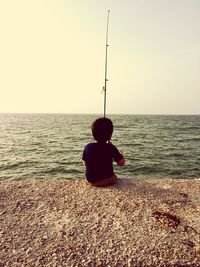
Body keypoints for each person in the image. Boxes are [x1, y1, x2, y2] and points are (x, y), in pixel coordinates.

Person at [82, 117, 125, 187]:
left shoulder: (88, 147)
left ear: (93, 133)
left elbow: (85, 163)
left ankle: (96, 182)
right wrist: (121, 154)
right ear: (110, 135)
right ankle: (104, 181)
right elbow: (121, 163)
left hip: (90, 180)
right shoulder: (111, 147)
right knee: (114, 177)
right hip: (105, 180)